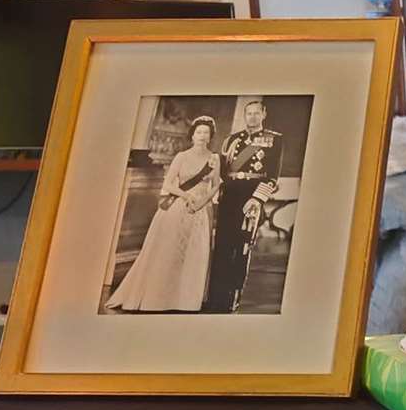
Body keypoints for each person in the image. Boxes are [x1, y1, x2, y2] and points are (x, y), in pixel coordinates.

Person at [104, 116, 221, 312]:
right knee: (169, 251)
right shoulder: (181, 156)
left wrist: (202, 202)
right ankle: (161, 297)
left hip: (201, 210)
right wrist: (186, 196)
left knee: (194, 254)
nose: (202, 136)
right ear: (192, 135)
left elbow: (216, 184)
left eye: (206, 133)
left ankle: (185, 300)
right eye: (198, 132)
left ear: (210, 137)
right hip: (179, 206)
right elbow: (167, 184)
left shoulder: (214, 158)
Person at [204, 99, 282, 313]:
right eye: (249, 113)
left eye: (257, 113)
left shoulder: (274, 140)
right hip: (229, 196)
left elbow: (273, 177)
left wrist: (257, 199)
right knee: (221, 247)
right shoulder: (232, 140)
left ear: (264, 114)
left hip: (251, 199)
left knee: (242, 248)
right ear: (245, 116)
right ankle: (215, 298)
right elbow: (221, 171)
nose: (253, 117)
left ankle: (232, 298)